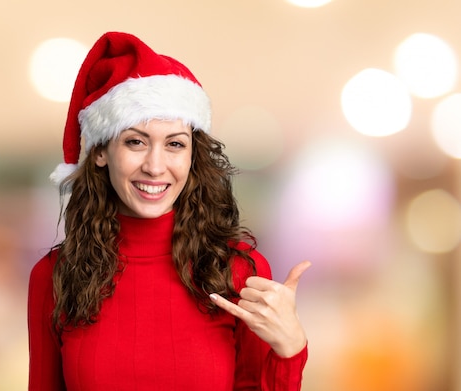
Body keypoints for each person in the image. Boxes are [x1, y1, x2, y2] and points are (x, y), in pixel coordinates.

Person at [28, 31, 310, 391]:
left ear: (193, 155)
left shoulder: (238, 271)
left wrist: (290, 351)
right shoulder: (55, 276)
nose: (155, 166)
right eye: (135, 142)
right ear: (100, 152)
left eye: (175, 144)